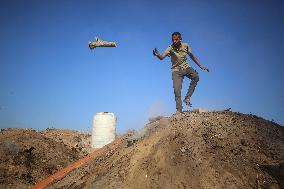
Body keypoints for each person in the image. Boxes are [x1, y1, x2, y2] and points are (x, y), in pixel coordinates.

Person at [153, 32, 209, 114]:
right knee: (177, 90)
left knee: (196, 76)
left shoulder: (185, 45)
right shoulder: (170, 48)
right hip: (176, 71)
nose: (174, 41)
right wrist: (157, 54)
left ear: (180, 39)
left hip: (186, 67)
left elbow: (192, 56)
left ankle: (187, 97)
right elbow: (162, 57)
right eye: (173, 40)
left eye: (176, 39)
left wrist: (201, 66)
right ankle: (179, 109)